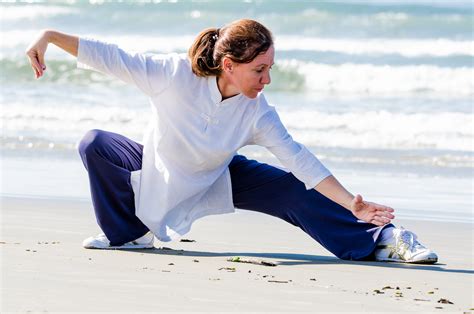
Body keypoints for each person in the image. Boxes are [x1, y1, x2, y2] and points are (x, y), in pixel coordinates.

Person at [26, 19, 437, 263]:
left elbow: (300, 158)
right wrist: (48, 36)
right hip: (159, 168)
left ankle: (382, 240)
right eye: (260, 69)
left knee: (293, 190)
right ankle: (127, 233)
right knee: (95, 143)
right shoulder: (172, 74)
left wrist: (352, 203)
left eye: (270, 68)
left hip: (217, 175)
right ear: (229, 65)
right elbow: (109, 55)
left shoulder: (257, 111)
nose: (267, 79)